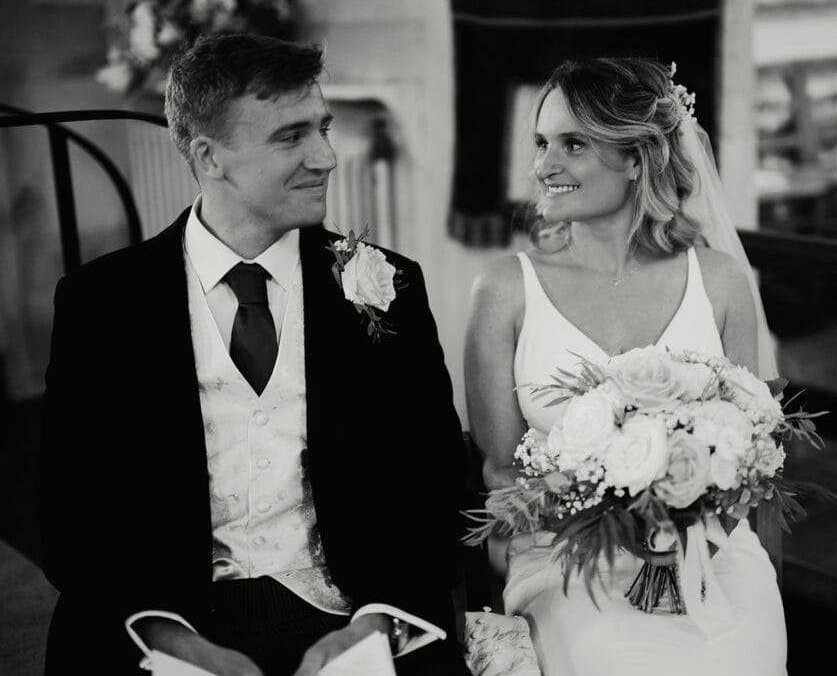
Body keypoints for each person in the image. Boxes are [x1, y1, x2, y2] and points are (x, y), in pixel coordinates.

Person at [38, 34, 469, 676]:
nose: (326, 156)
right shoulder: (100, 302)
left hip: (349, 607)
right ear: (209, 157)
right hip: (165, 617)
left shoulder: (389, 287)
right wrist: (170, 638)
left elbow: (437, 485)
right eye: (290, 136)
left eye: (322, 127)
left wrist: (376, 623)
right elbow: (69, 516)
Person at [464, 57, 786, 675]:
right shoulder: (505, 290)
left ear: (637, 157)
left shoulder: (718, 280)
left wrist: (692, 528)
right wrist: (604, 516)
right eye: (541, 143)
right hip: (564, 555)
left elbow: (756, 452)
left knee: (742, 652)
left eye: (573, 144)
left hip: (708, 548)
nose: (542, 167)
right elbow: (501, 472)